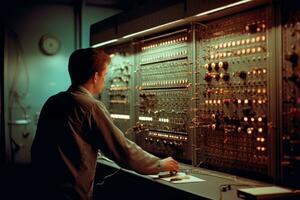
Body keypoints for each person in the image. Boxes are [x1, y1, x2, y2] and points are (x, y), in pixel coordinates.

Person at [30, 48, 179, 200]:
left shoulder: (53, 101)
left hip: (44, 189)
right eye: (104, 75)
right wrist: (158, 164)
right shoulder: (90, 106)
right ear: (95, 76)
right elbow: (122, 150)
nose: (104, 80)